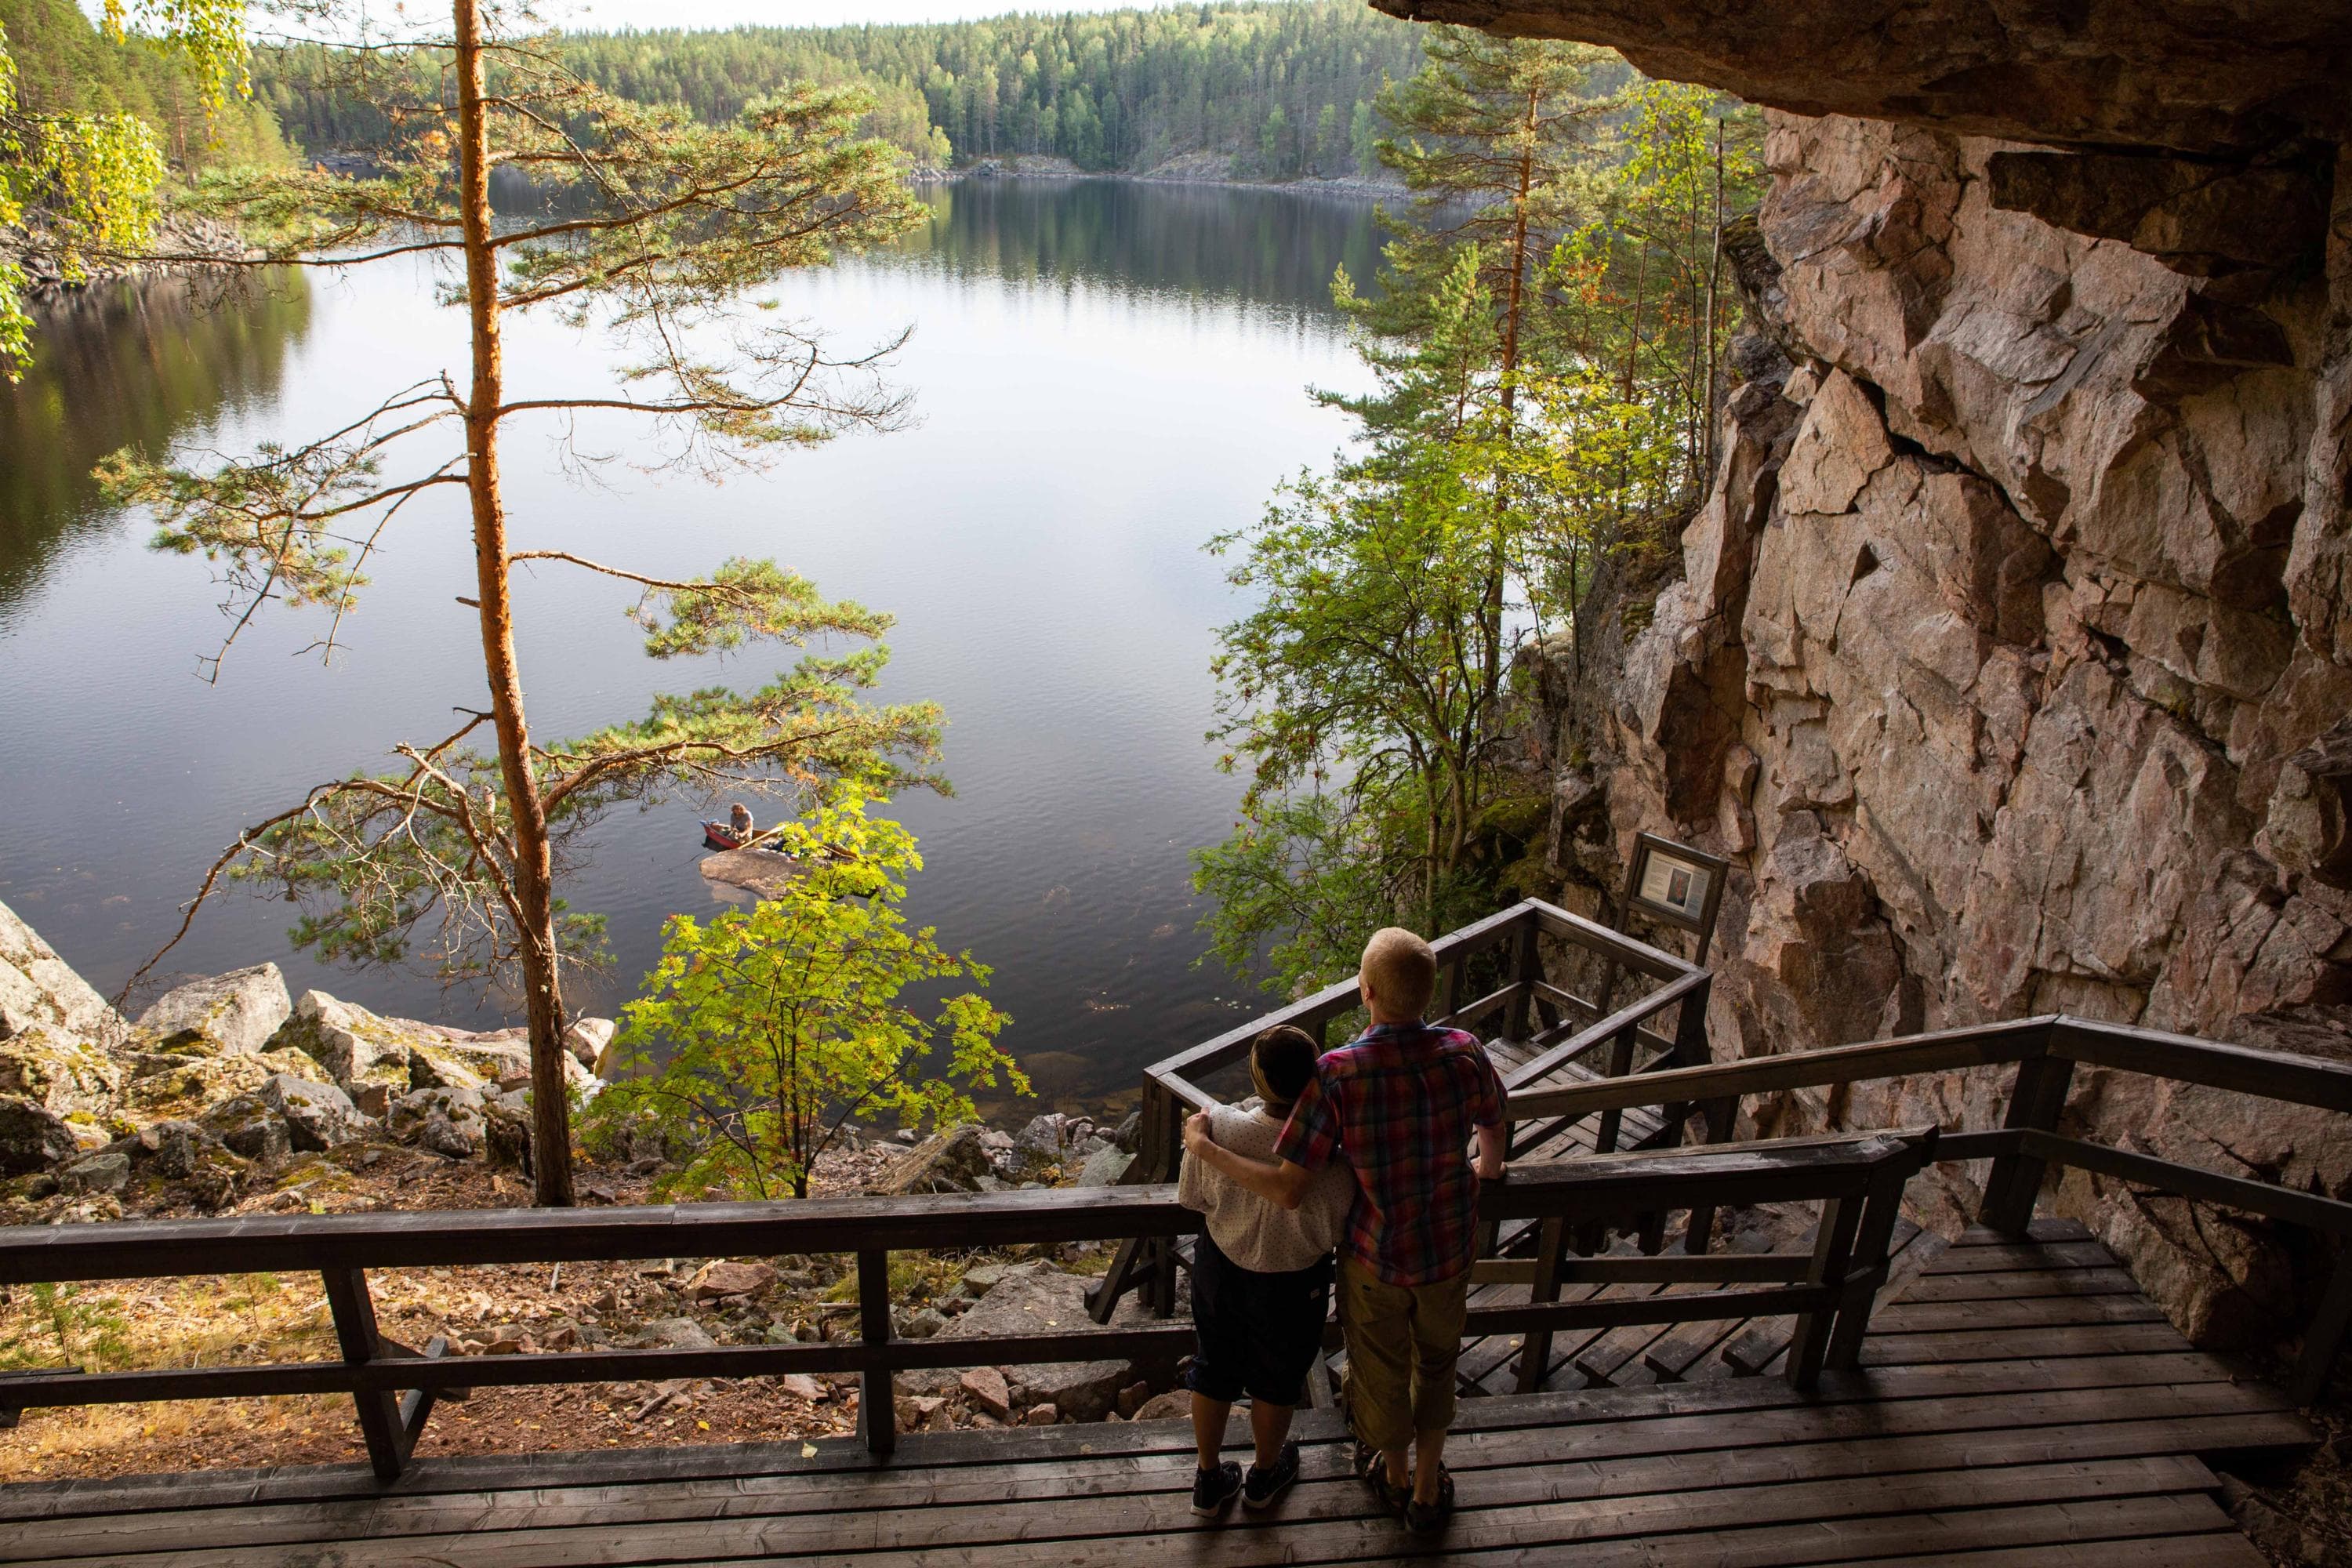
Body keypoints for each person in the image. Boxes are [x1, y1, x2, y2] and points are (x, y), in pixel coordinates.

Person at [1183, 927, 1505, 1537]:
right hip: (1450, 1245)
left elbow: (1289, 1185)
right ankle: (1429, 1487)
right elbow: (1493, 1122)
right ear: (1428, 990)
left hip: (1376, 1255)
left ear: (1368, 992)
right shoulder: (1465, 1050)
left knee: (1381, 1368)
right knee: (1438, 1361)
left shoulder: (1338, 1073)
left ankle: (1397, 1475)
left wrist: (1206, 1147)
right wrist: (1487, 1170)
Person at [1174, 1025, 1355, 1519]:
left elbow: (1192, 1198)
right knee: (1278, 1378)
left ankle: (1208, 1479)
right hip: (1294, 1283)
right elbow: (1338, 1227)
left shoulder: (1215, 1127)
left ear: (1258, 1080)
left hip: (1221, 1265)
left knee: (1213, 1366)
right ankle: (1263, 1476)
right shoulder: (1332, 1155)